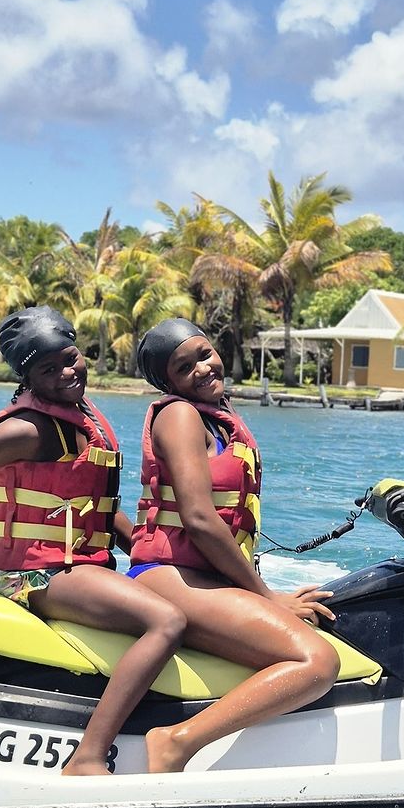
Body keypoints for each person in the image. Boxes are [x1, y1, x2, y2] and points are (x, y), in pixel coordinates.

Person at [0, 306, 191, 777]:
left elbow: (94, 510)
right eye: (48, 369)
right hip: (36, 576)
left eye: (70, 358)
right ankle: (88, 756)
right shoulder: (27, 429)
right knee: (167, 620)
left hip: (80, 566)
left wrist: (151, 554)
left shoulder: (78, 416)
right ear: (27, 378)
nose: (67, 372)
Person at [130, 318, 340, 773]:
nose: (202, 368)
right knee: (318, 661)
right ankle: (176, 742)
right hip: (170, 578)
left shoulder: (216, 420)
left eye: (204, 354)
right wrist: (267, 597)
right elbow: (199, 520)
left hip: (204, 577)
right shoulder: (179, 416)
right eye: (184, 368)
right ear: (169, 383)